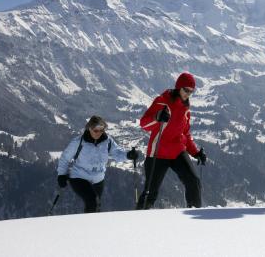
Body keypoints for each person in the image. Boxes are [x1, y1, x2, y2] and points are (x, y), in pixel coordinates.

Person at [136, 72, 207, 209]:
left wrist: (195, 153)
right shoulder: (162, 101)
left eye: (191, 91)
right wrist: (157, 117)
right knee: (150, 193)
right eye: (186, 90)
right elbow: (144, 124)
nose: (188, 94)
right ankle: (138, 220)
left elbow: (185, 134)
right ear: (178, 87)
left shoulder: (186, 109)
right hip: (158, 153)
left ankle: (194, 215)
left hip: (177, 152)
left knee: (193, 181)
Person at [57, 115, 138, 213]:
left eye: (102, 130)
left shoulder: (107, 141)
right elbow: (65, 158)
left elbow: (117, 153)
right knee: (92, 201)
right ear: (89, 128)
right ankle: (89, 226)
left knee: (97, 205)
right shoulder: (78, 142)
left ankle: (93, 226)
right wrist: (61, 174)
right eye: (96, 130)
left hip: (98, 178)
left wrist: (128, 155)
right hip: (79, 176)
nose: (99, 133)